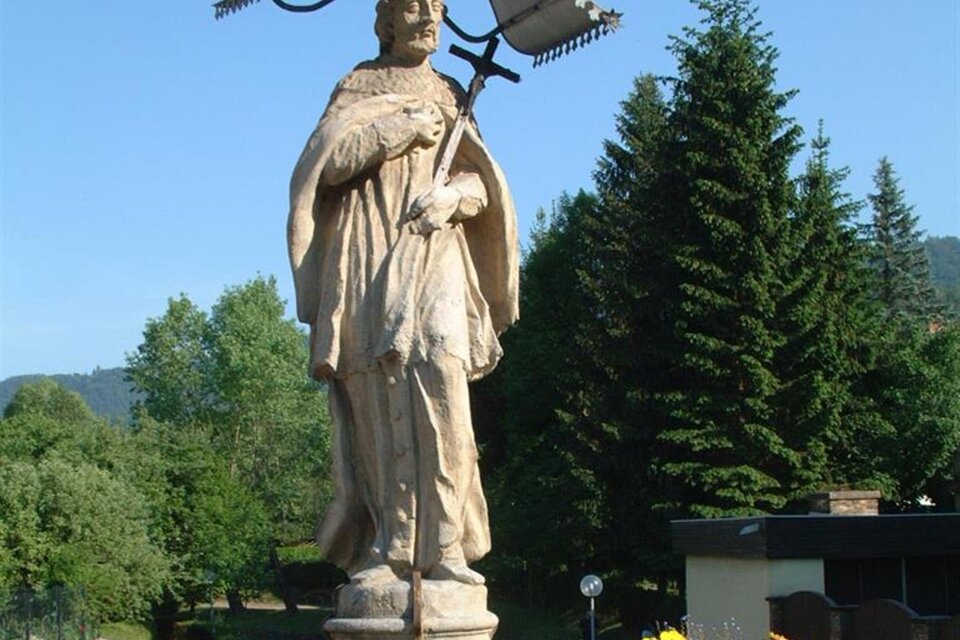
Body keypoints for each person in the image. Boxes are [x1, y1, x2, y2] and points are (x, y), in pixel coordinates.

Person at [287, 0, 518, 587]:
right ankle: (389, 548)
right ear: (387, 19)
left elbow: (481, 181)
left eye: (439, 6)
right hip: (365, 254)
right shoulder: (358, 84)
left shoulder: (451, 91)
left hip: (435, 250)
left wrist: (452, 201)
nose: (430, 17)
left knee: (442, 385)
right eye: (416, 6)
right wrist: (400, 130)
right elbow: (326, 164)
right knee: (375, 400)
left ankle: (445, 548)